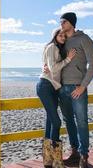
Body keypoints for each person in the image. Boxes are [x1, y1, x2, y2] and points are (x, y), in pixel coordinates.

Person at [55, 12, 93, 168]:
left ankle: (84, 156)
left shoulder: (84, 39)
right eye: (60, 21)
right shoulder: (61, 40)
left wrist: (83, 86)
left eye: (64, 21)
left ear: (72, 23)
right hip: (62, 88)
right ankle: (74, 153)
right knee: (68, 122)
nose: (61, 24)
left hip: (77, 88)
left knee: (81, 121)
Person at [36, 28, 76, 168]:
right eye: (60, 35)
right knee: (57, 122)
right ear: (54, 36)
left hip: (53, 88)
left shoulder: (57, 49)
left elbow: (53, 68)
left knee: (50, 122)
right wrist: (68, 59)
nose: (63, 37)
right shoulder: (52, 47)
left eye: (64, 36)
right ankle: (57, 161)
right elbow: (53, 68)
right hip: (46, 86)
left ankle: (48, 161)